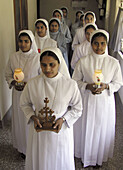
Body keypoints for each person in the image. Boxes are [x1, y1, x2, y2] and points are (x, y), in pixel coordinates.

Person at [20, 47, 82, 170]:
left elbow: (77, 108)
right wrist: (32, 116)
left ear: (59, 63)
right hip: (39, 133)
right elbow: (24, 104)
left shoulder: (70, 84)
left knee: (60, 160)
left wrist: (63, 119)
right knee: (41, 161)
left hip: (61, 131)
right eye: (43, 65)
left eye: (52, 65)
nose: (47, 69)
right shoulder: (33, 83)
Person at [72, 29, 123, 167]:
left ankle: (98, 158)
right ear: (91, 44)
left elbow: (118, 83)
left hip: (104, 102)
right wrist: (87, 86)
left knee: (101, 128)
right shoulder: (83, 61)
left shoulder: (113, 63)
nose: (99, 47)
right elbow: (75, 80)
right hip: (87, 100)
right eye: (96, 43)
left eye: (102, 43)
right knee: (86, 127)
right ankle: (84, 155)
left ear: (106, 44)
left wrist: (106, 86)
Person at [5, 30, 41, 158]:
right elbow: (8, 74)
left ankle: (33, 147)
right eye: (20, 41)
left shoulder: (37, 58)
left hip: (32, 95)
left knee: (31, 120)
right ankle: (22, 147)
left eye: (26, 41)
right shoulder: (13, 57)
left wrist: (29, 85)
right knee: (20, 121)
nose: (23, 44)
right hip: (18, 94)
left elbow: (41, 76)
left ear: (31, 42)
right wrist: (13, 82)